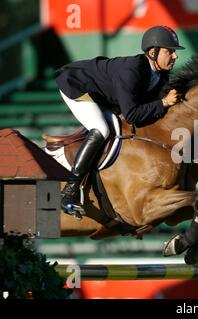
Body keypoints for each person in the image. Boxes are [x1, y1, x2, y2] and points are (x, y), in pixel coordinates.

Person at [55, 25, 184, 216]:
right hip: (77, 85)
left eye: (174, 52)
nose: (175, 57)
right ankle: (70, 191)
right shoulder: (131, 71)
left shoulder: (161, 74)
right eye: (169, 51)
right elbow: (132, 114)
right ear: (153, 52)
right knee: (101, 129)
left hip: (104, 94)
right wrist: (164, 102)